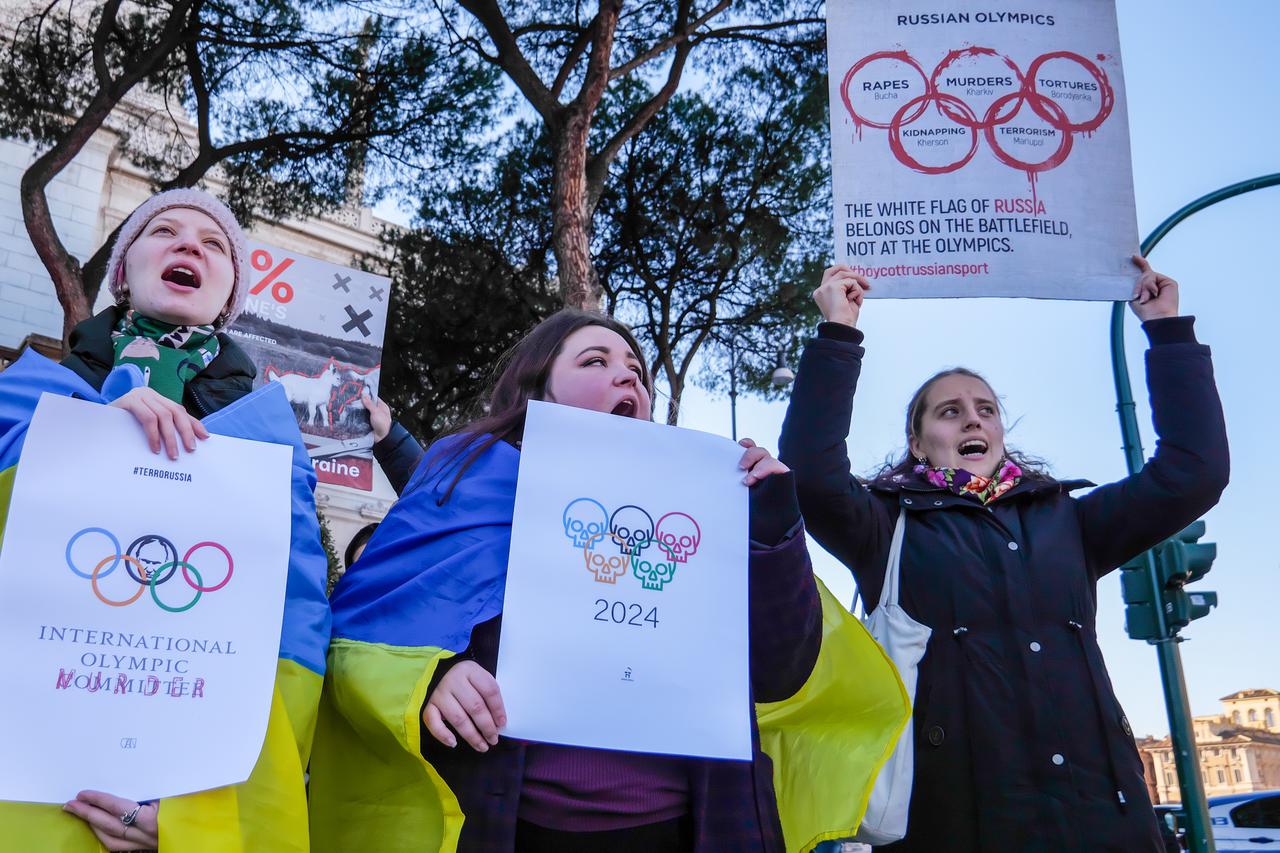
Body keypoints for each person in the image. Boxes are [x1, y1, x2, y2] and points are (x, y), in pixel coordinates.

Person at [308, 309, 908, 853]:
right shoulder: (462, 476)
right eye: (595, 361)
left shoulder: (705, 504)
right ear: (534, 388)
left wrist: (772, 524)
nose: (630, 379)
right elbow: (366, 628)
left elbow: (782, 669)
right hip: (503, 824)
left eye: (638, 370)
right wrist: (433, 676)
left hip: (694, 828)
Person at [779, 256, 1229, 853]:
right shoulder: (886, 526)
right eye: (950, 411)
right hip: (956, 822)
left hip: (1103, 818)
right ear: (918, 442)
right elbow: (809, 475)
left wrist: (1167, 330)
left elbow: (1193, 474)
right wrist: (840, 331)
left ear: (999, 432)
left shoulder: (1068, 520)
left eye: (985, 409)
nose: (973, 418)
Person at [0, 188, 330, 851]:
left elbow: (295, 622)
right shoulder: (30, 396)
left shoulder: (271, 441)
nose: (189, 246)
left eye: (214, 245)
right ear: (122, 273)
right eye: (165, 232)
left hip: (196, 784)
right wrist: (85, 431)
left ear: (230, 293)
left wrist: (205, 811)